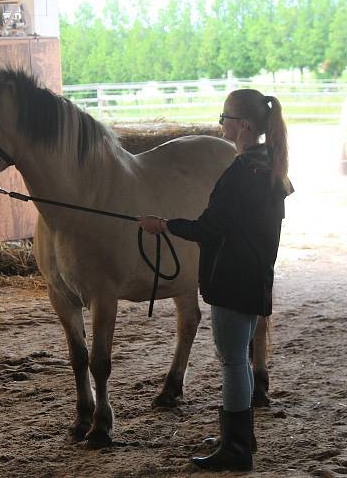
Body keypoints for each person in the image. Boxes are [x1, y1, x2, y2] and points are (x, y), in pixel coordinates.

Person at [138, 88, 293, 472]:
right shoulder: (272, 166)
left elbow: (210, 227)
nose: (221, 124)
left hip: (231, 277)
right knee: (238, 357)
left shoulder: (241, 173)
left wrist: (164, 225)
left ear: (242, 125)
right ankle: (240, 436)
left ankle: (236, 447)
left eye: (224, 118)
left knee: (233, 361)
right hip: (256, 274)